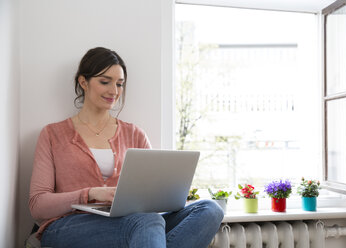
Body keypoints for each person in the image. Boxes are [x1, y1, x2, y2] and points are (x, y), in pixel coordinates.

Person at [28, 47, 224, 248]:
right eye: (105, 82)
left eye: (120, 84)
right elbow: (38, 205)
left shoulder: (134, 134)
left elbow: (150, 194)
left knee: (210, 210)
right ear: (83, 82)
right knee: (147, 222)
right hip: (68, 226)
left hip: (131, 222)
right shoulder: (53, 134)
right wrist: (91, 194)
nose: (114, 91)